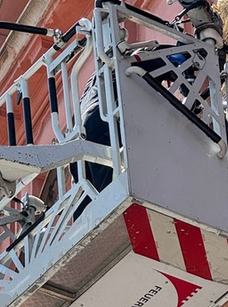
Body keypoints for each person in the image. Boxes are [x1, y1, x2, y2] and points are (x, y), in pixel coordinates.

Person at [70, 45, 192, 218]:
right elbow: (172, 60)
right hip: (104, 122)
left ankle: (83, 228)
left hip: (79, 135)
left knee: (86, 193)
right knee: (109, 189)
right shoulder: (129, 62)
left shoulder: (94, 82)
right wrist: (186, 60)